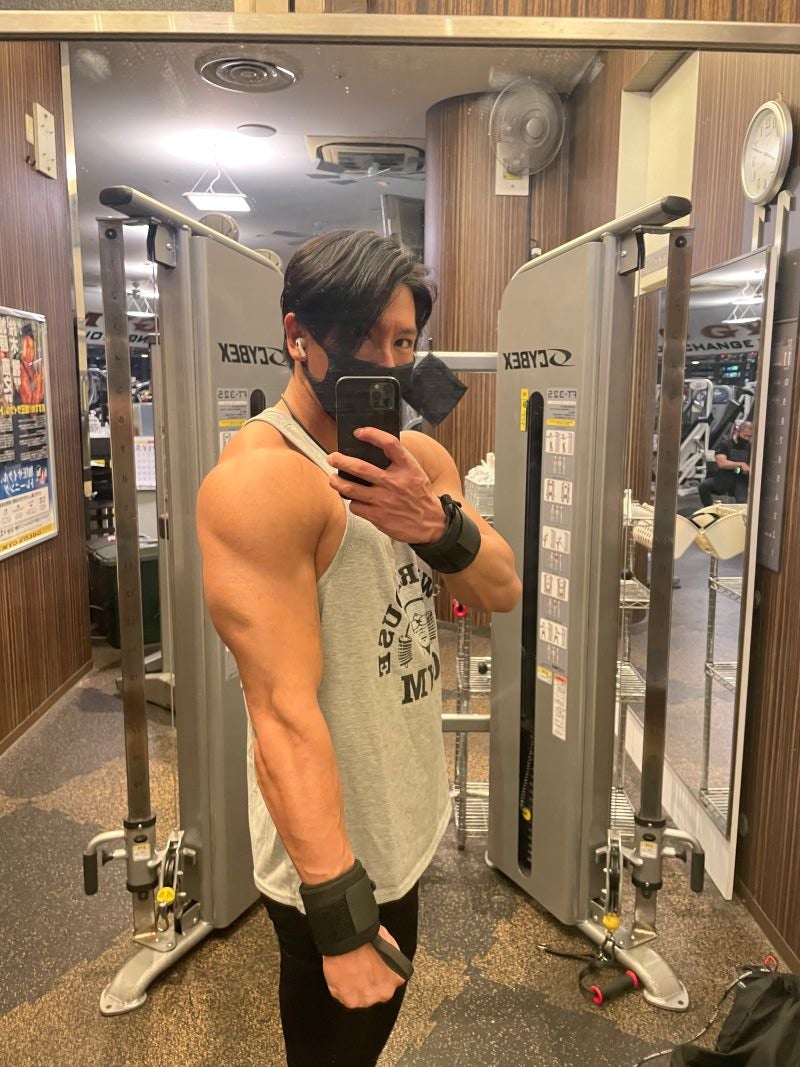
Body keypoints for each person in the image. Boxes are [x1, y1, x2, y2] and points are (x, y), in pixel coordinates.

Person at [196, 230, 522, 1067]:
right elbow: (280, 714)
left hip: (400, 812)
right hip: (331, 855)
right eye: (360, 336)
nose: (386, 361)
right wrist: (339, 918)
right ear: (297, 335)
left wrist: (433, 524)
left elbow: (500, 588)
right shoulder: (263, 481)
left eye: (403, 341)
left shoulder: (421, 459)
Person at [698, 420, 753, 507]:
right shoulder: (725, 444)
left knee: (743, 504)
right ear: (738, 431)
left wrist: (744, 469)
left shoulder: (750, 447)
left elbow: (746, 468)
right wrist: (741, 464)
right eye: (745, 435)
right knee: (703, 486)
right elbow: (721, 463)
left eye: (749, 436)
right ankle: (710, 508)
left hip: (740, 478)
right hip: (724, 477)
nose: (746, 438)